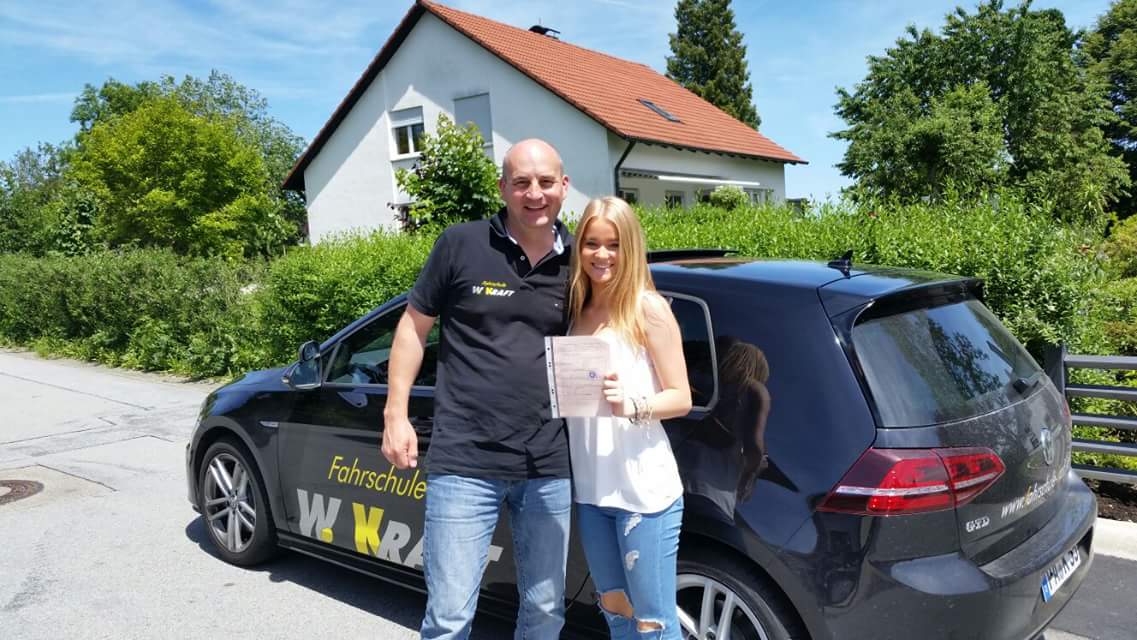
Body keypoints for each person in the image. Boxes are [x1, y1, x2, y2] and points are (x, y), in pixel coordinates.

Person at [380, 139, 574, 640]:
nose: (535, 194)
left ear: (564, 186)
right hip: (465, 460)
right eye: (522, 183)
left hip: (549, 463)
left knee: (545, 611)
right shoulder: (461, 243)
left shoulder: (582, 260)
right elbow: (412, 328)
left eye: (545, 182)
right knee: (449, 617)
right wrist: (395, 414)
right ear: (503, 188)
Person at [566, 196, 692, 639]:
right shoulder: (576, 309)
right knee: (616, 614)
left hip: (644, 494)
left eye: (614, 244)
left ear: (631, 248)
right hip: (592, 492)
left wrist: (633, 404)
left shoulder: (647, 307)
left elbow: (681, 397)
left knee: (653, 623)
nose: (602, 255)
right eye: (592, 243)